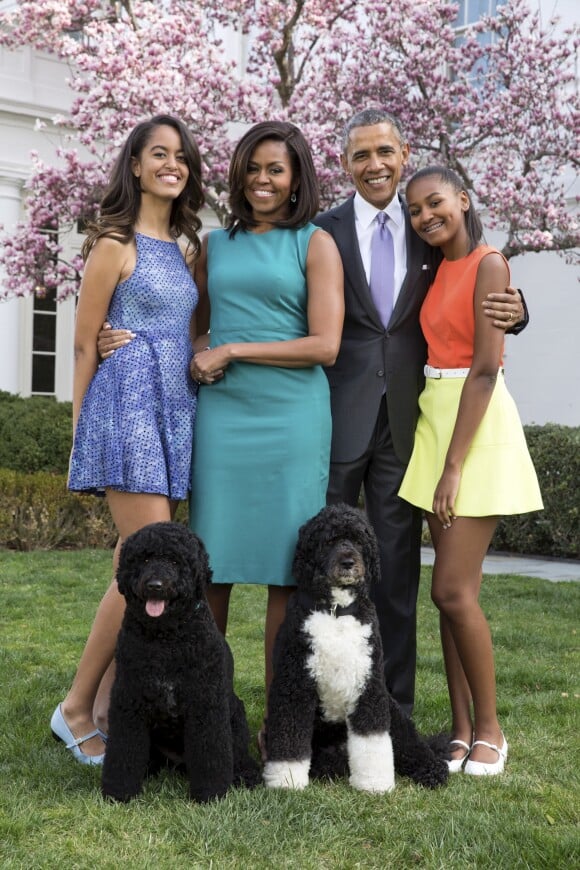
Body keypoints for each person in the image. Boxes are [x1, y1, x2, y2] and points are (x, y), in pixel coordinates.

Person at [314, 108, 527, 715]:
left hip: (412, 425)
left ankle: (393, 711)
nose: (374, 165)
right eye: (360, 155)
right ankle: (326, 704)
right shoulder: (323, 231)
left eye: (384, 152)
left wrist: (519, 308)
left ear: (404, 154)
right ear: (346, 164)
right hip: (336, 417)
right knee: (321, 565)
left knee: (397, 573)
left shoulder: (428, 224)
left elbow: (478, 283)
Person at [50, 115, 204, 764]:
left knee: (133, 562)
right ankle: (78, 707)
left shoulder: (190, 246)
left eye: (181, 156)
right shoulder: (112, 242)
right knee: (141, 559)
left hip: (175, 409)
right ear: (135, 166)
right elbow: (86, 341)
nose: (172, 164)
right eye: (158, 154)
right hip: (126, 409)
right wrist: (83, 428)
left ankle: (109, 706)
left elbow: (187, 330)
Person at [188, 121, 344, 752]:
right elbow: (193, 329)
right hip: (224, 418)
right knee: (209, 568)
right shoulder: (213, 245)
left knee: (287, 573)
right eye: (252, 167)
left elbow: (325, 345)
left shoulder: (316, 243)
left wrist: (235, 348)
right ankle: (205, 722)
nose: (262, 180)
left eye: (275, 169)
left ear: (297, 176)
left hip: (291, 419)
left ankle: (280, 728)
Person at [399, 165, 542, 774]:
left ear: (464, 198)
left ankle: (490, 730)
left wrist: (453, 467)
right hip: (435, 416)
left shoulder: (490, 262)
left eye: (436, 203)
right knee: (453, 597)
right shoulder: (434, 267)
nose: (426, 216)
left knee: (450, 590)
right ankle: (459, 730)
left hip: (474, 426)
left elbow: (485, 369)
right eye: (414, 210)